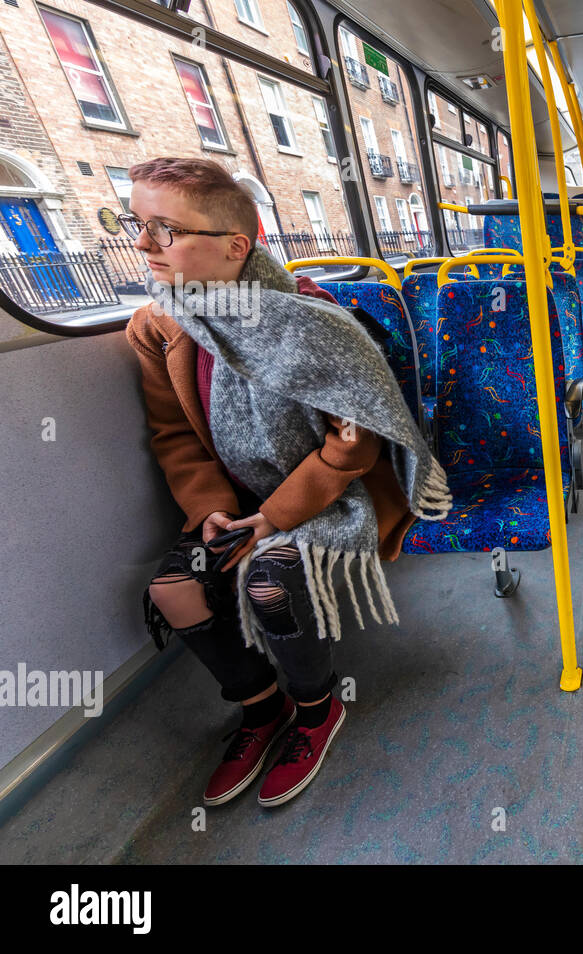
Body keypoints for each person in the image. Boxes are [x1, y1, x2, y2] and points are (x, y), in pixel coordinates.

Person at [122, 158, 450, 809]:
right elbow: (177, 440)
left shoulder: (314, 318)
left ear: (234, 246)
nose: (141, 244)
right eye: (139, 225)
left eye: (165, 228)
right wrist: (213, 510)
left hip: (326, 492)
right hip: (233, 496)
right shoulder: (158, 328)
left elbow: (354, 445)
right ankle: (259, 706)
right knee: (174, 589)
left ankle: (315, 706)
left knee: (270, 579)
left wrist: (272, 516)